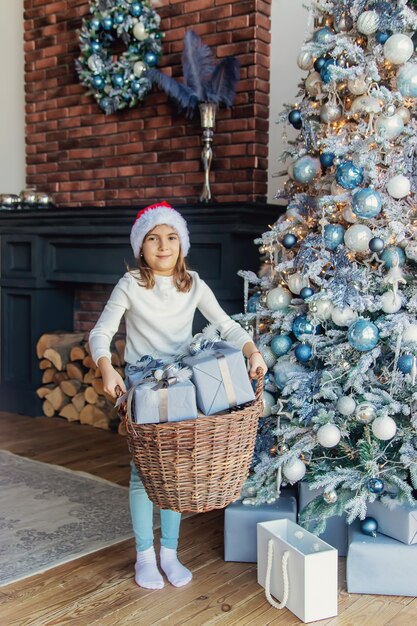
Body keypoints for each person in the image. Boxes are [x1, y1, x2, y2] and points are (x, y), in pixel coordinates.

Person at [89, 201, 267, 590]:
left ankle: (169, 551)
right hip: (146, 388)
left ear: (182, 245)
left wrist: (252, 351)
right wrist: (106, 366)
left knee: (177, 468)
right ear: (141, 248)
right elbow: (101, 332)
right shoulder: (131, 285)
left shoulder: (194, 284)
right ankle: (144, 556)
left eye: (171, 237)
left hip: (184, 384)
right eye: (153, 238)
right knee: (144, 474)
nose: (163, 245)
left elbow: (225, 324)